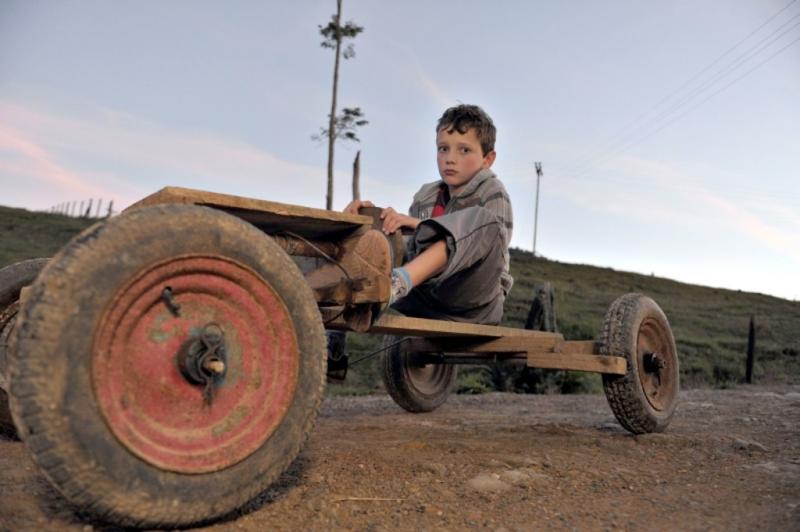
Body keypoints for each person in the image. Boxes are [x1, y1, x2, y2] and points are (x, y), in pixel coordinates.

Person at [344, 104, 513, 325]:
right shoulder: (425, 196)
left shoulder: (492, 191)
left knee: (485, 221)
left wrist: (420, 224)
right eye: (443, 148)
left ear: (487, 159)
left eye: (464, 150)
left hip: (474, 300)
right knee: (375, 230)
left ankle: (395, 285)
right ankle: (337, 325)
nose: (450, 159)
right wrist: (373, 221)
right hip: (427, 298)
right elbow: (410, 246)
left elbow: (496, 241)